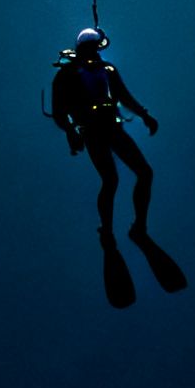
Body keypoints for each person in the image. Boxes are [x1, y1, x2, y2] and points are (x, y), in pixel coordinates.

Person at [48, 27, 158, 238]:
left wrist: (144, 115)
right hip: (93, 132)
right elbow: (59, 113)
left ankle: (136, 227)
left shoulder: (106, 70)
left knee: (139, 174)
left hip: (111, 129)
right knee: (112, 179)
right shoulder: (67, 75)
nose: (95, 53)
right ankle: (109, 229)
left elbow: (124, 96)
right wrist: (71, 132)